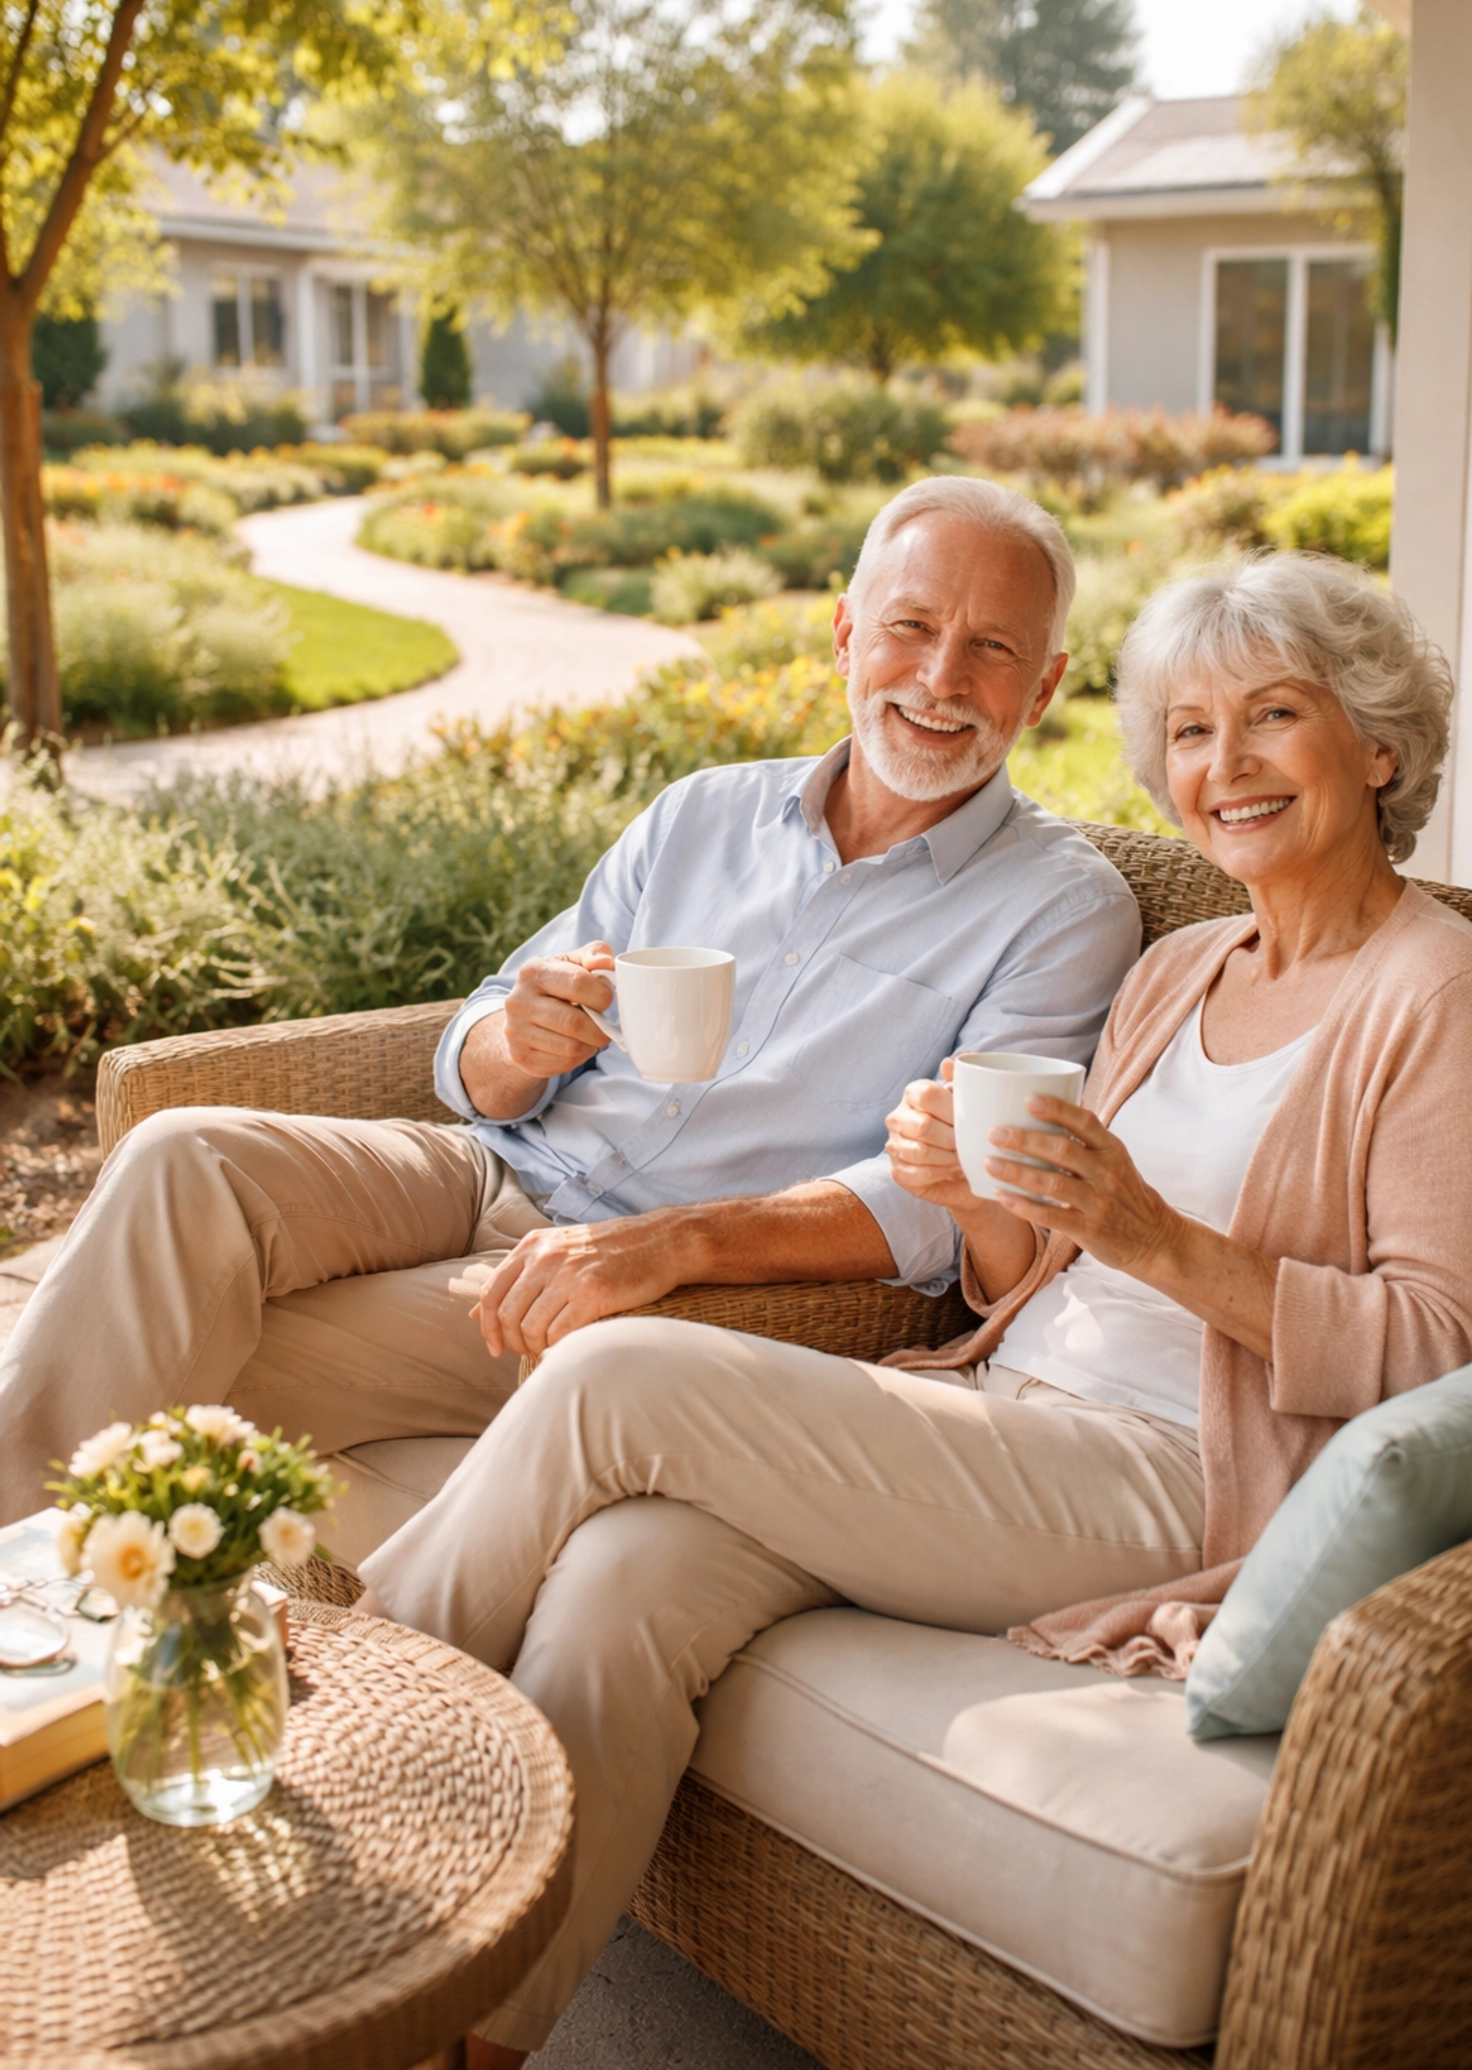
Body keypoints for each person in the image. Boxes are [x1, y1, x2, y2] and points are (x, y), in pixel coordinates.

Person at [359, 552, 1472, 2070]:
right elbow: (1015, 1282)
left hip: (1180, 1471)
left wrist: (1161, 1242)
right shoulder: (1181, 968)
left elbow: (1452, 1343)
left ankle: (319, 1780)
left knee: (617, 1371)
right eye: (1189, 732)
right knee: (627, 1581)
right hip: (1015, 1408)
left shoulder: (1450, 996)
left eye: (1273, 718)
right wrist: (970, 1198)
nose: (1224, 768)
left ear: (1377, 747)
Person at [0, 476, 1142, 1515]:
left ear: (1043, 689)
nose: (942, 679)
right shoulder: (702, 812)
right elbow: (479, 1046)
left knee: (196, 1340)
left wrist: (670, 1243)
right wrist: (517, 1039)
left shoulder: (1062, 909)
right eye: (911, 626)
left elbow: (951, 1206)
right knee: (182, 1154)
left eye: (993, 648)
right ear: (847, 635)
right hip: (494, 1166)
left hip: (661, 1276)